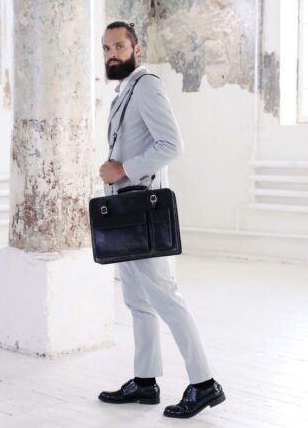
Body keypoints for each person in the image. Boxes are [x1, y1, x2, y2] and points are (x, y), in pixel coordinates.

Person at [97, 21, 226, 419]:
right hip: (127, 212)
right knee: (137, 300)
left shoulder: (147, 86)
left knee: (165, 296)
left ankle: (204, 383)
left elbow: (172, 144)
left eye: (119, 46)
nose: (112, 54)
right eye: (106, 48)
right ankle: (145, 381)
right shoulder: (126, 91)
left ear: (137, 49)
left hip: (144, 212)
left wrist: (124, 170)